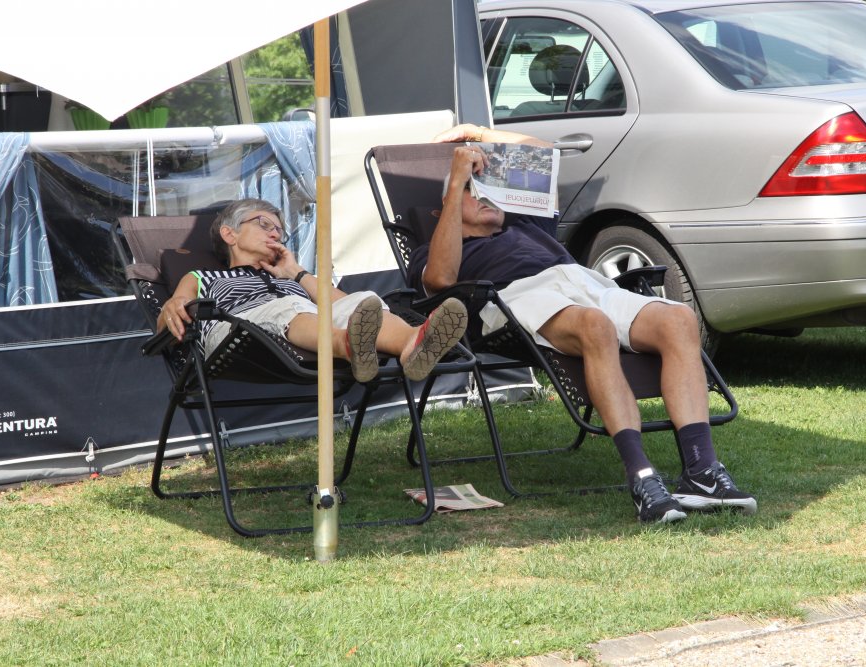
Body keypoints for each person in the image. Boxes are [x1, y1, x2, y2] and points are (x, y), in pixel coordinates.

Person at [408, 124, 756, 523]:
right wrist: (456, 181)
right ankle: (642, 476)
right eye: (474, 190)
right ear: (448, 206)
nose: (485, 195)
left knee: (679, 319)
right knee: (595, 326)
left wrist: (481, 134)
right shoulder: (434, 249)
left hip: (582, 282)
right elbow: (440, 280)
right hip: (514, 297)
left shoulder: (526, 223)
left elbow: (544, 155)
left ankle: (702, 473)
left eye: (489, 188)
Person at [159, 198, 467, 383]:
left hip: (299, 321)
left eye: (279, 230)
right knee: (289, 305)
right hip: (237, 336)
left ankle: (411, 344)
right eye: (264, 224)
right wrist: (171, 307)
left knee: (364, 299)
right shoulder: (204, 276)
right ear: (230, 234)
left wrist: (295, 272)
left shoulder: (290, 279)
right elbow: (174, 311)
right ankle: (347, 346)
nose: (275, 233)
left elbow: (343, 304)